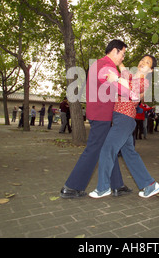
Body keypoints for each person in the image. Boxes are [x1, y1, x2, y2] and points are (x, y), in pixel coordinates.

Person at [60, 39, 132, 199]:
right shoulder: (105, 66)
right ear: (115, 50)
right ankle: (71, 187)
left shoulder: (102, 64)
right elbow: (121, 88)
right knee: (93, 150)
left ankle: (117, 185)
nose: (123, 57)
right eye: (123, 53)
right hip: (101, 116)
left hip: (100, 114)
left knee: (108, 149)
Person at [89, 55, 159, 199]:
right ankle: (150, 185)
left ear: (151, 70)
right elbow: (121, 67)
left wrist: (115, 79)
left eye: (147, 63)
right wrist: (117, 58)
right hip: (120, 119)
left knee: (107, 149)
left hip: (124, 119)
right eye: (142, 60)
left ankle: (103, 188)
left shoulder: (143, 82)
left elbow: (129, 87)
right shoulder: (131, 76)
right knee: (130, 154)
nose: (142, 63)